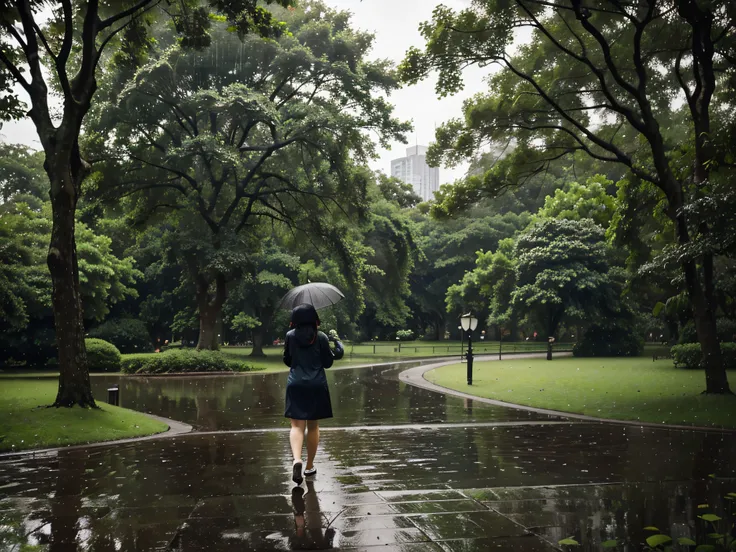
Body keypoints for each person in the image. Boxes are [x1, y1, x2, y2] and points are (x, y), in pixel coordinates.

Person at [283, 304, 344, 485]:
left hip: (296, 384)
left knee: (296, 426)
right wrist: (337, 347)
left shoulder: (290, 336)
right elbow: (328, 362)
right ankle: (309, 465)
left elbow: (287, 360)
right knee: (313, 426)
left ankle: (297, 460)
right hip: (317, 385)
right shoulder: (321, 337)